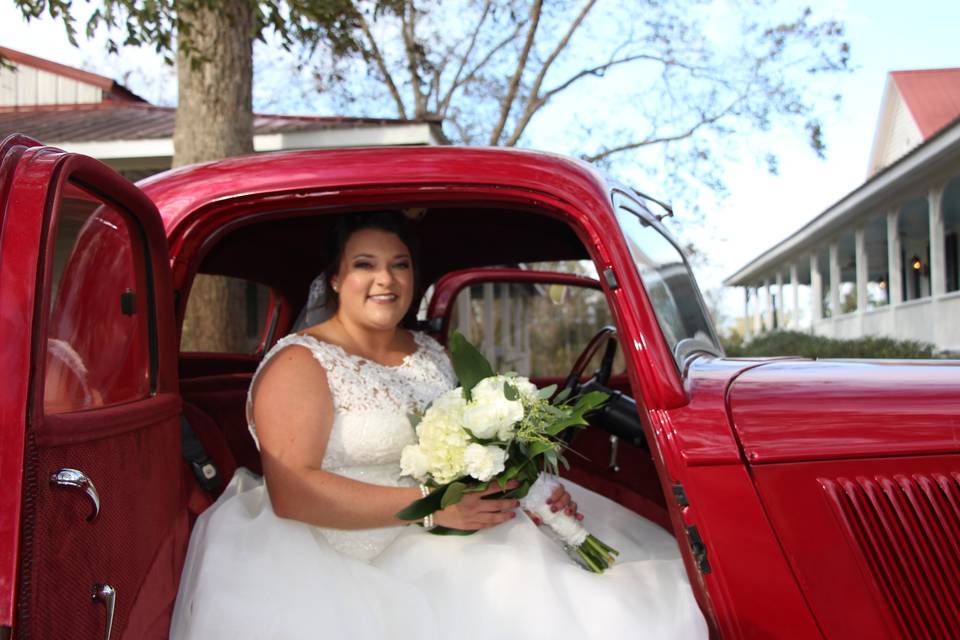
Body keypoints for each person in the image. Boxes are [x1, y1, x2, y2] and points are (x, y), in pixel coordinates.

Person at [170, 212, 708, 639]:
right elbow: (292, 491)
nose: (385, 279)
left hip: (456, 519)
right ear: (335, 278)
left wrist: (532, 490)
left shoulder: (429, 350)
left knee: (626, 592)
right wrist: (431, 510)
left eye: (400, 265)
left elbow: (478, 442)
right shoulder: (300, 364)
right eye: (364, 264)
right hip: (343, 548)